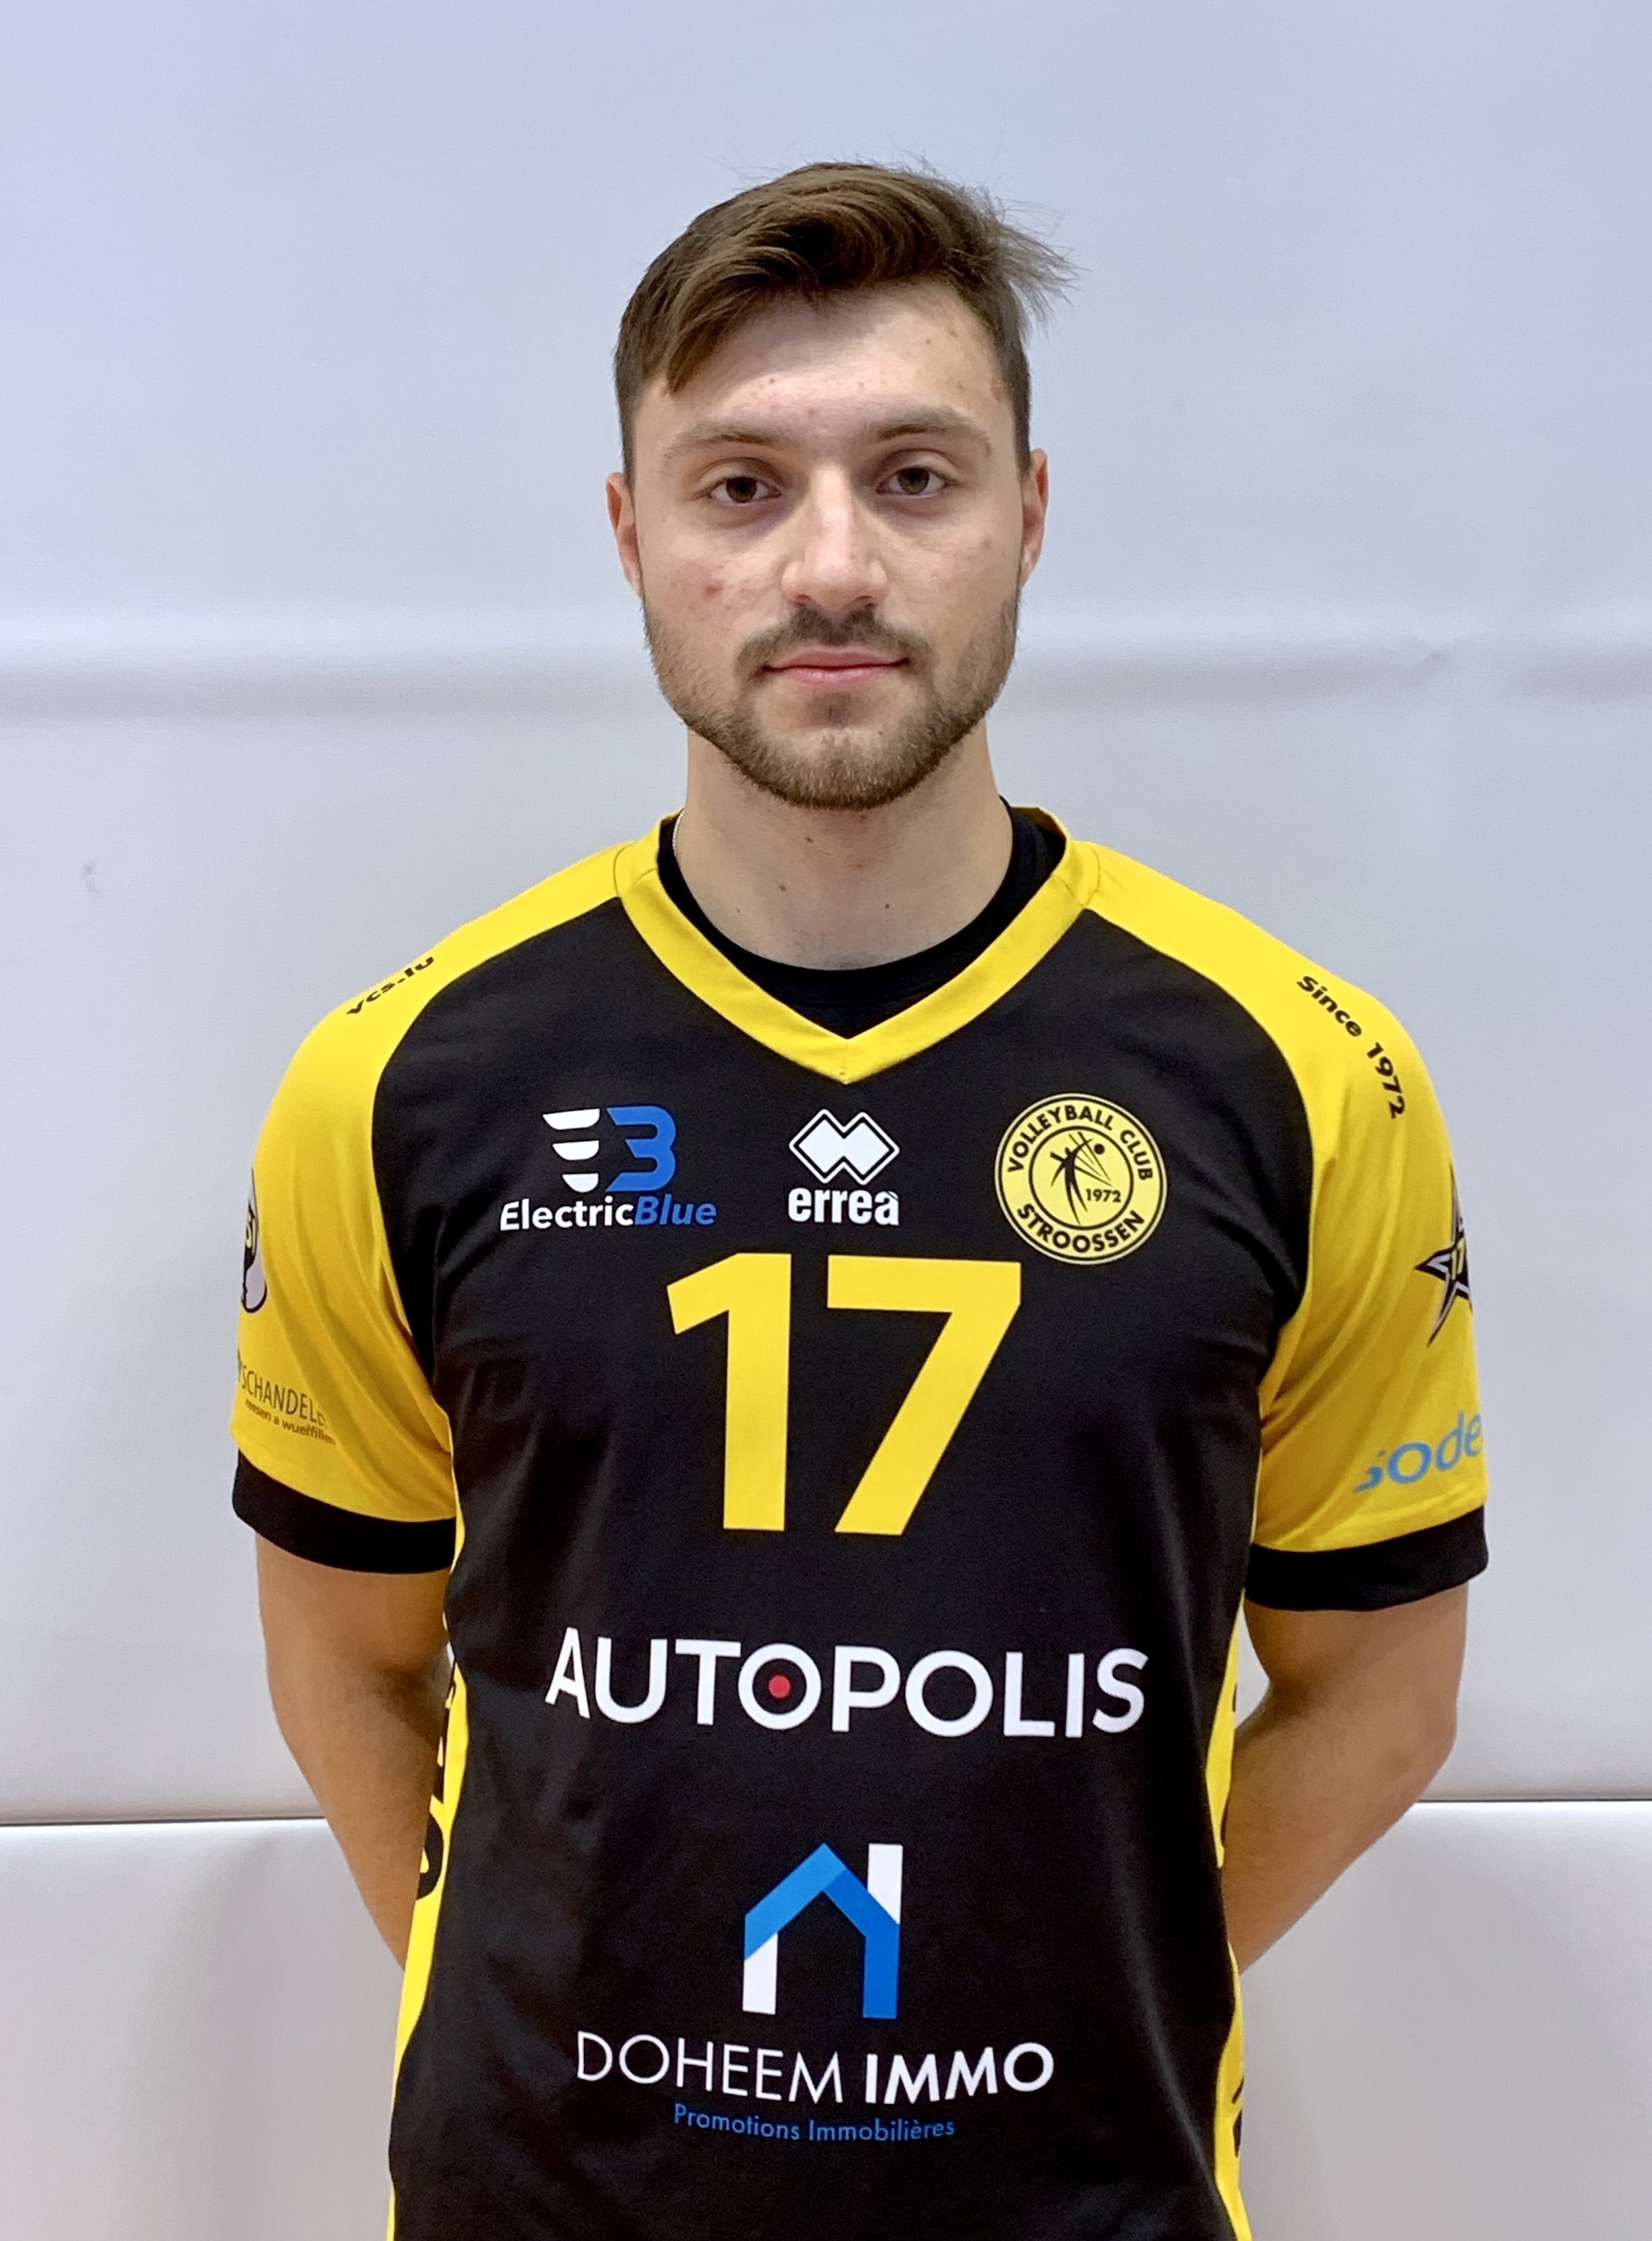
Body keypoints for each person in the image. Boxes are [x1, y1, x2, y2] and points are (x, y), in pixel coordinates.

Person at [233, 163, 1487, 2241]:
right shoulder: (399, 1079)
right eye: (739, 487)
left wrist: (1097, 1992)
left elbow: (1381, 1691)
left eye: (914, 476)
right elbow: (343, 1657)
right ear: (631, 535)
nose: (831, 564)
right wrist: (524, 1997)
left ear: (1030, 512)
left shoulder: (1300, 1074)